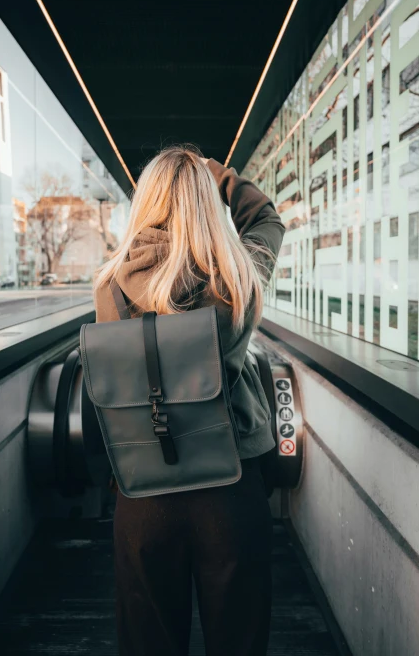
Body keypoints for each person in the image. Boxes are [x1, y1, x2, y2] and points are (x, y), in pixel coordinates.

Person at [94, 145, 285, 656]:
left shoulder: (110, 286)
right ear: (204, 203)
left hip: (144, 493)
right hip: (231, 487)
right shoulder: (238, 278)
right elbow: (265, 217)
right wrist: (216, 174)